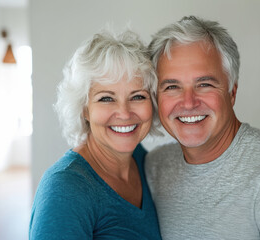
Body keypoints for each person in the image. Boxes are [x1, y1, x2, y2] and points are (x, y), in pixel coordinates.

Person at [145, 15, 260, 240]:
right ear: (156, 98)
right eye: (172, 86)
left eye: (204, 84)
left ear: (232, 92)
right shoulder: (154, 168)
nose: (189, 102)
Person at [29, 29, 162, 239]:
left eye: (137, 96)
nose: (125, 113)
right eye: (106, 99)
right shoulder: (65, 188)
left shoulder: (141, 158)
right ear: (84, 108)